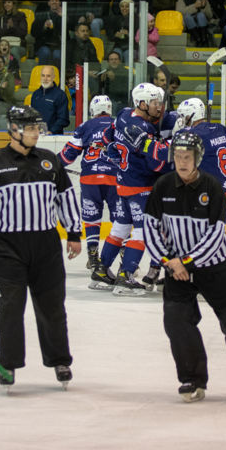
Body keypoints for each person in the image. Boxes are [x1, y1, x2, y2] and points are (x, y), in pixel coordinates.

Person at [144, 131, 226, 403]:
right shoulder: (163, 186)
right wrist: (168, 261)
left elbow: (215, 234)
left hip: (217, 267)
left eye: (187, 157)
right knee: (177, 323)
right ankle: (192, 379)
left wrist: (185, 262)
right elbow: (150, 228)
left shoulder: (212, 187)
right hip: (177, 270)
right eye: (177, 156)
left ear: (197, 158)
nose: (182, 161)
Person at [0, 106, 82, 388]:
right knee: (10, 306)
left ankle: (60, 361)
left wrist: (74, 232)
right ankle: (7, 363)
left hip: (46, 245)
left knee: (52, 306)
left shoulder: (49, 161)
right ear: (14, 130)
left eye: (36, 127)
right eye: (30, 128)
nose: (35, 132)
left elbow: (65, 197)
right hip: (8, 247)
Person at [95, 82, 172, 294]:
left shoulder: (123, 114)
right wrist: (172, 151)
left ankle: (101, 270)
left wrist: (111, 149)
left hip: (122, 183)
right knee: (141, 231)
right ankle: (126, 274)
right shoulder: (143, 128)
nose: (159, 107)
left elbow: (106, 137)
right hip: (140, 187)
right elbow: (155, 160)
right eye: (155, 103)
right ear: (141, 103)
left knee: (120, 227)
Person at [59, 95, 120, 270]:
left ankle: (93, 257)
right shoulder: (118, 125)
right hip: (114, 178)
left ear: (92, 110)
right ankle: (125, 257)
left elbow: (68, 155)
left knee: (92, 217)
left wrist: (52, 164)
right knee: (121, 220)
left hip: (90, 179)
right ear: (109, 109)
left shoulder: (84, 127)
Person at [175, 98, 226, 204]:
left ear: (192, 116)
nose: (182, 120)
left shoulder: (190, 134)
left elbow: (168, 155)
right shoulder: (220, 129)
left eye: (183, 116)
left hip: (206, 192)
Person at [29, 66, 70, 134]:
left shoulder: (60, 95)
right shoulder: (36, 94)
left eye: (48, 76)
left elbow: (63, 119)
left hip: (54, 138)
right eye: (43, 75)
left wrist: (52, 131)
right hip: (36, 136)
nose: (45, 79)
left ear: (53, 77)